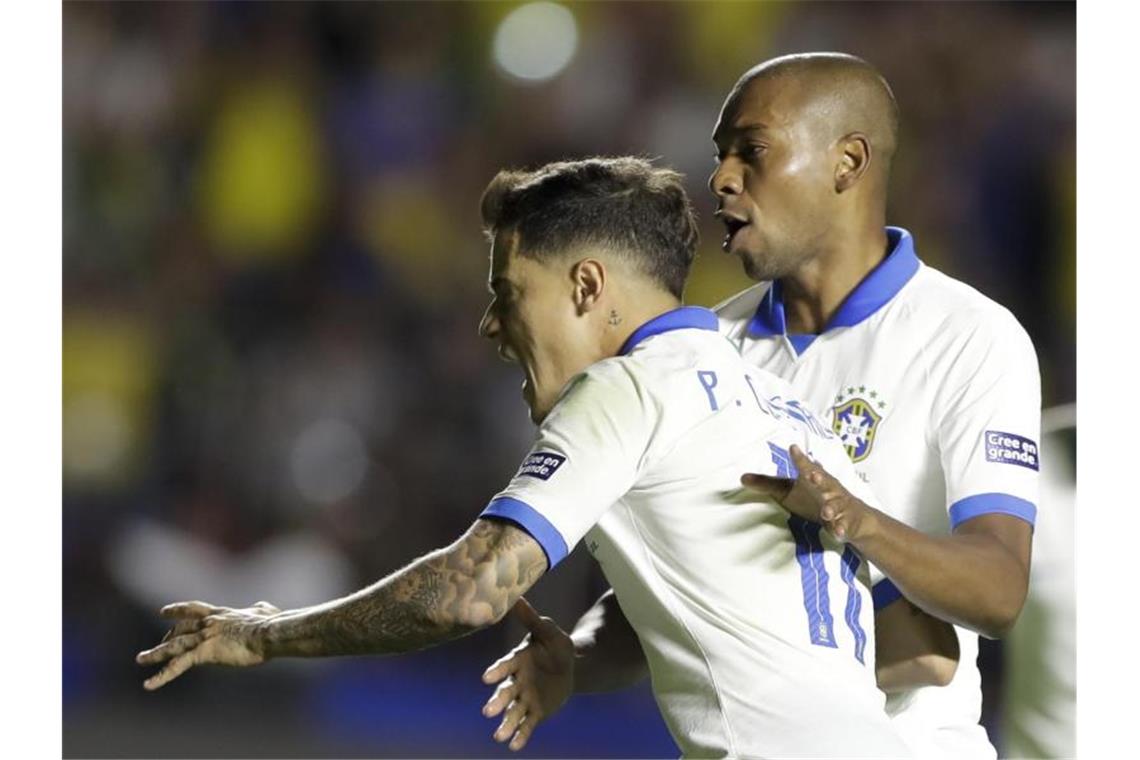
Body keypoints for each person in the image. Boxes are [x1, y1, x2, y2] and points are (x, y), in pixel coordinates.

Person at [136, 157, 919, 758]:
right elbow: (915, 648)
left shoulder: (629, 388)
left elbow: (469, 590)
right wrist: (581, 658)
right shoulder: (784, 406)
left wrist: (265, 633)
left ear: (586, 286)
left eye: (507, 292)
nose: (489, 324)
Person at [484, 53, 1040, 760]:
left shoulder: (966, 335)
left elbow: (997, 589)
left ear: (847, 163)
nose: (720, 178)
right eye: (720, 156)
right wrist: (579, 659)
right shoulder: (705, 351)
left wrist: (856, 519)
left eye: (752, 151)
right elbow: (678, 593)